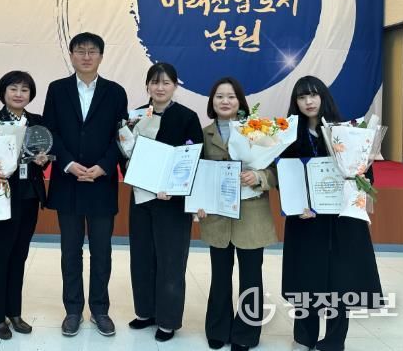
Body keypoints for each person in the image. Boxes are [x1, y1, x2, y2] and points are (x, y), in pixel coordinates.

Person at [280, 76, 382, 351]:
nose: (308, 101)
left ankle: (335, 339)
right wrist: (296, 204)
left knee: (340, 278)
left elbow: (366, 174)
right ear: (296, 102)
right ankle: (304, 337)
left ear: (323, 97)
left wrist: (362, 173)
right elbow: (284, 176)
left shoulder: (345, 132)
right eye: (302, 97)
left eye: (313, 95)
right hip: (305, 218)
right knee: (306, 276)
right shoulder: (289, 135)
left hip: (340, 219)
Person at [42, 32, 128, 337]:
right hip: (67, 181)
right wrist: (66, 163)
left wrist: (104, 166)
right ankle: (73, 310)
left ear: (101, 56)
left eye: (92, 51)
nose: (86, 56)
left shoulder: (115, 92)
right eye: (80, 51)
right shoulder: (57, 89)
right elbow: (50, 131)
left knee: (102, 251)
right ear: (72, 55)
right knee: (70, 250)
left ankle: (100, 309)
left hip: (102, 183)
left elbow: (121, 136)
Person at [196, 76, 278, 351]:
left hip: (252, 215)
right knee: (220, 275)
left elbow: (275, 171)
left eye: (231, 96)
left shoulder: (256, 130)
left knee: (251, 277)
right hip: (217, 216)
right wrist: (197, 202)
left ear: (240, 101)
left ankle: (246, 333)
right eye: (219, 96)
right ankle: (217, 328)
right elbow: (196, 173)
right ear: (212, 102)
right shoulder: (204, 133)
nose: (225, 101)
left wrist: (258, 176)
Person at [127, 63, 203, 342]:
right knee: (141, 256)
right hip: (141, 197)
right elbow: (125, 152)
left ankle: (168, 320)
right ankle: (145, 312)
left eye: (166, 82)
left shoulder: (187, 117)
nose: (160, 88)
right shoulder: (135, 116)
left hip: (172, 201)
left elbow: (193, 157)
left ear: (175, 86)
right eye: (155, 82)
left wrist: (174, 188)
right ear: (147, 85)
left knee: (171, 260)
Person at [0, 71, 48, 339]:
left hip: (29, 196)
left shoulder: (38, 123)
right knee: (0, 254)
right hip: (1, 196)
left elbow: (45, 154)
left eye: (24, 90)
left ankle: (14, 311)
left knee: (20, 255)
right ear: (3, 92)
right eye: (13, 88)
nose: (19, 94)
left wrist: (44, 160)